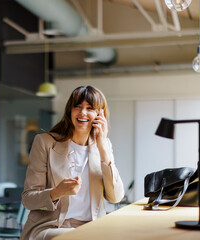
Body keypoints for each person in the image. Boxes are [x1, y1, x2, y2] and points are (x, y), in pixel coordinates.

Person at [20, 85, 125, 240]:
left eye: (90, 108)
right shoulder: (44, 142)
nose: (83, 112)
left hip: (92, 227)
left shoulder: (104, 146)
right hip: (51, 226)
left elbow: (115, 197)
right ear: (70, 110)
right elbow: (28, 199)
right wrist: (57, 192)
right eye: (78, 106)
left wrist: (103, 148)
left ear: (100, 114)